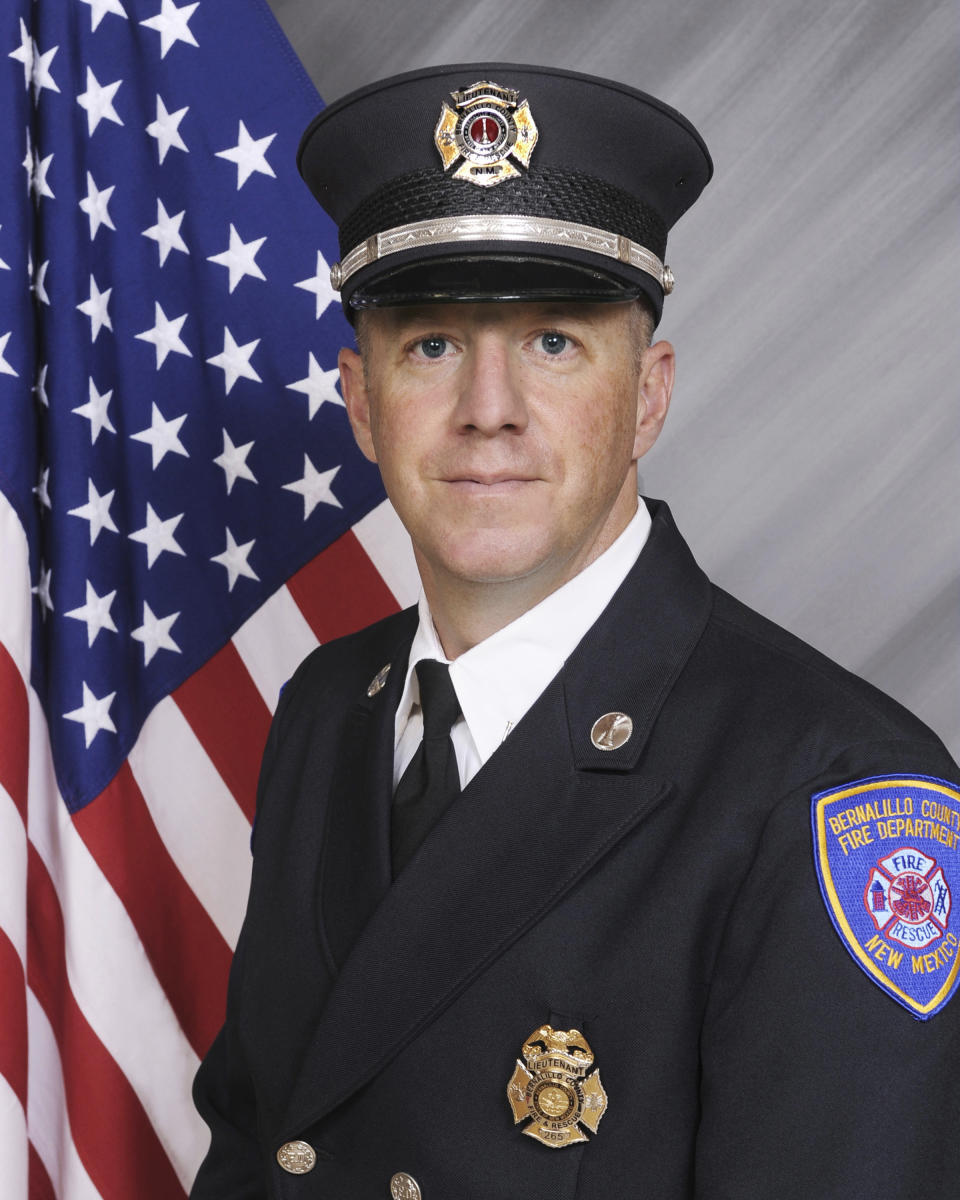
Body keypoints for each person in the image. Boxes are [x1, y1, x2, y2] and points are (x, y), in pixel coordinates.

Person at [190, 64, 960, 1199]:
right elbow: (258, 1148)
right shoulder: (325, 708)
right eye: (433, 346)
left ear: (648, 395)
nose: (487, 407)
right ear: (361, 402)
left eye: (553, 342)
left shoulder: (829, 792)